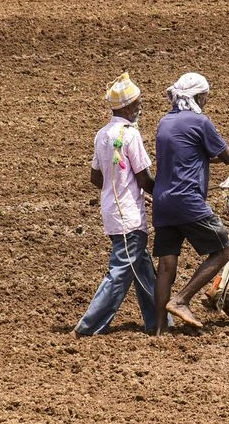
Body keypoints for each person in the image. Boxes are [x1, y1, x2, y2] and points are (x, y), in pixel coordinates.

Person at [152, 72, 229, 335]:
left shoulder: (165, 122)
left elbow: (204, 155)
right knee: (224, 250)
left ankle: (160, 328)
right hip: (188, 201)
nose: (207, 100)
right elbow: (228, 157)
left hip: (162, 202)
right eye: (205, 96)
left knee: (167, 265)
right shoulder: (200, 121)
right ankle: (181, 300)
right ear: (198, 96)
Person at [73, 72, 170, 337]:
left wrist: (117, 186)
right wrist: (162, 195)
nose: (140, 107)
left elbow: (96, 177)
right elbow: (144, 177)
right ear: (127, 106)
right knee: (119, 272)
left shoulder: (101, 134)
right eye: (137, 102)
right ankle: (89, 326)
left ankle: (159, 323)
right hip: (129, 215)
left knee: (141, 268)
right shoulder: (130, 134)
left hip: (112, 212)